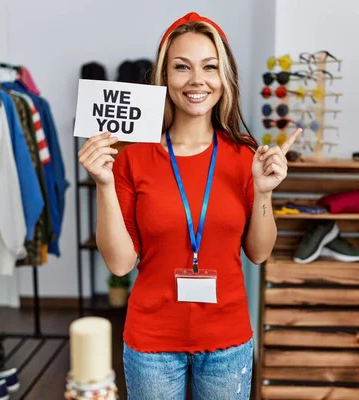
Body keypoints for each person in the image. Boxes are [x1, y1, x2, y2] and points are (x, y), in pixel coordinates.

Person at [78, 12, 302, 399]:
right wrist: (103, 183)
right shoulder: (133, 157)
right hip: (151, 344)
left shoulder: (244, 155)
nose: (197, 80)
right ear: (165, 78)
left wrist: (264, 193)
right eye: (182, 67)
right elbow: (119, 264)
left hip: (227, 343)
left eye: (209, 67)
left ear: (224, 78)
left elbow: (260, 253)